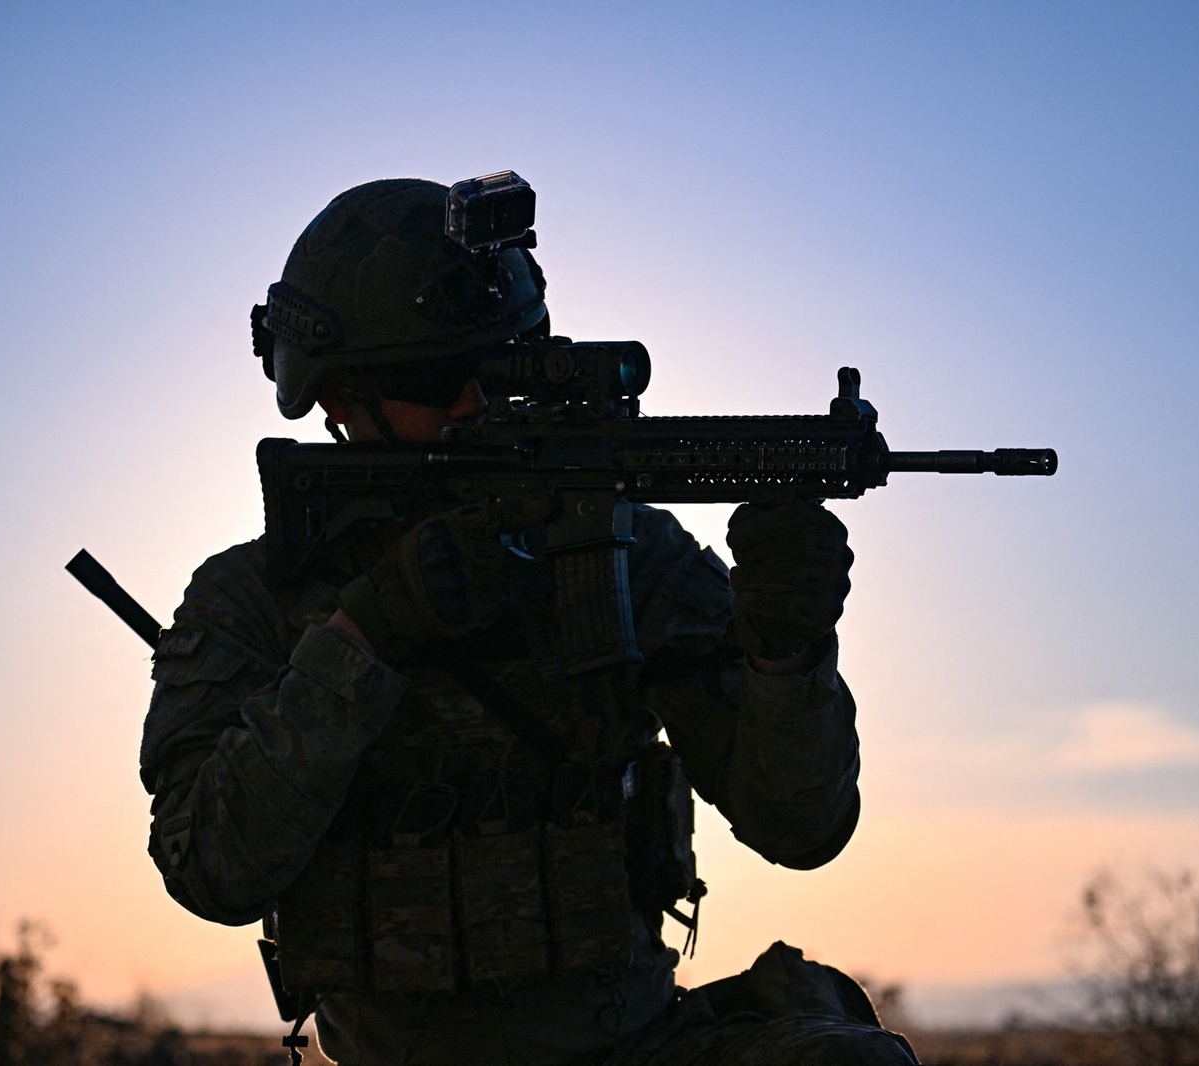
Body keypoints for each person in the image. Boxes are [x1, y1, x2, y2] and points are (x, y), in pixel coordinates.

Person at [139, 176, 918, 1065]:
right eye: (439, 379)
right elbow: (210, 868)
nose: (477, 404)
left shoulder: (621, 551)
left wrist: (789, 656)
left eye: (503, 362)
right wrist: (366, 639)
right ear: (338, 400)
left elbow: (801, 828)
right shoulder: (256, 598)